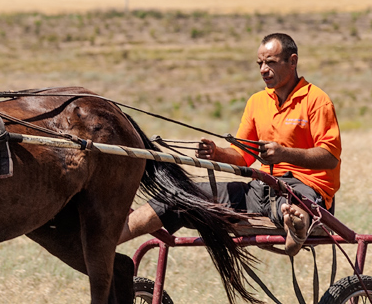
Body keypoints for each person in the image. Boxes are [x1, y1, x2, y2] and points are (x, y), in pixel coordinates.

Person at [120, 33, 342, 255]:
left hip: (304, 189)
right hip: (259, 190)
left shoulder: (317, 100)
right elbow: (243, 156)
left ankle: (297, 223)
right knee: (178, 195)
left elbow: (330, 158)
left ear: (292, 61)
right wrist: (216, 153)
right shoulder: (257, 102)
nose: (263, 70)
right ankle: (111, 238)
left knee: (286, 206)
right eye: (260, 63)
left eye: (271, 63)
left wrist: (284, 154)